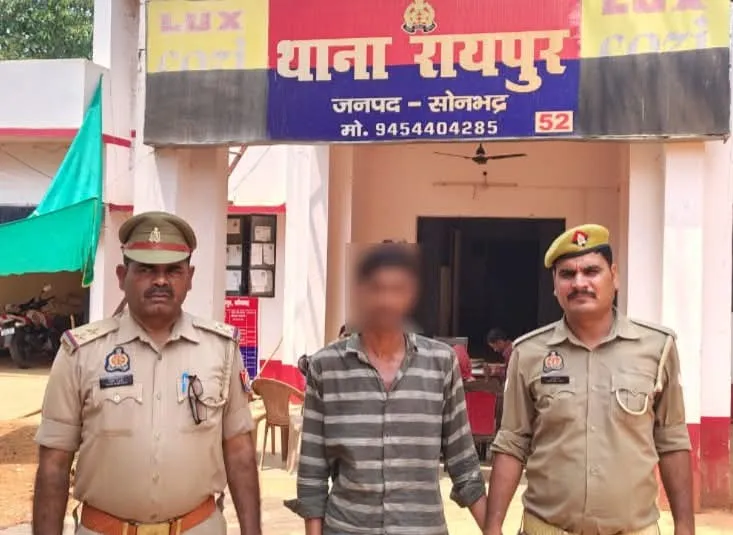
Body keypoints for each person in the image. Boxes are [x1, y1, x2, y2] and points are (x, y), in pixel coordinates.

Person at [32, 211, 262, 535]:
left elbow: (239, 453)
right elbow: (54, 465)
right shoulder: (81, 353)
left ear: (190, 277)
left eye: (173, 270)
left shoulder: (221, 350)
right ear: (121, 275)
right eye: (145, 269)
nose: (160, 281)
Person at [486, 224, 694, 535]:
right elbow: (512, 443)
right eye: (567, 274)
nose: (579, 283)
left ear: (615, 276)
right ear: (555, 286)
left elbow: (672, 441)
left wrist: (685, 527)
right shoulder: (528, 353)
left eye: (591, 271)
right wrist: (493, 526)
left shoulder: (657, 348)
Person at [285, 242, 489, 535]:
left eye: (397, 289)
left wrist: (493, 529)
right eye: (377, 288)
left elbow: (464, 465)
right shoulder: (326, 368)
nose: (387, 300)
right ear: (360, 293)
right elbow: (312, 473)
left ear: (412, 295)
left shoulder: (441, 364)